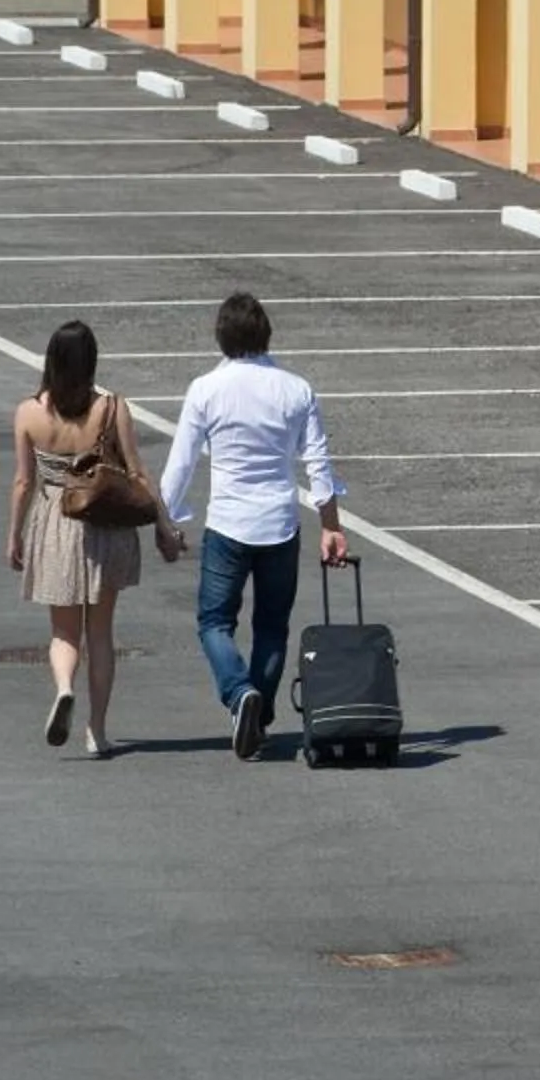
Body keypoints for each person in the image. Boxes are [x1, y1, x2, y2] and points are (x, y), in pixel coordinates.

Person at [159, 291, 348, 761]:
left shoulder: (205, 389)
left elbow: (180, 465)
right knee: (272, 626)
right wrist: (331, 526)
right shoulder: (296, 390)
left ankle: (239, 692)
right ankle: (257, 718)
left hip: (228, 522)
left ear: (221, 337)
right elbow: (318, 463)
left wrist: (167, 520)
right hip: (280, 522)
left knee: (214, 622)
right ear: (266, 334)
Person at [7, 319, 177, 758]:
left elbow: (24, 482)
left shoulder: (29, 413)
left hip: (55, 520)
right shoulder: (112, 407)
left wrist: (14, 535)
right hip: (105, 522)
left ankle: (64, 687)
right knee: (100, 633)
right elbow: (138, 472)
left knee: (63, 633)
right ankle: (96, 731)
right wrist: (163, 524)